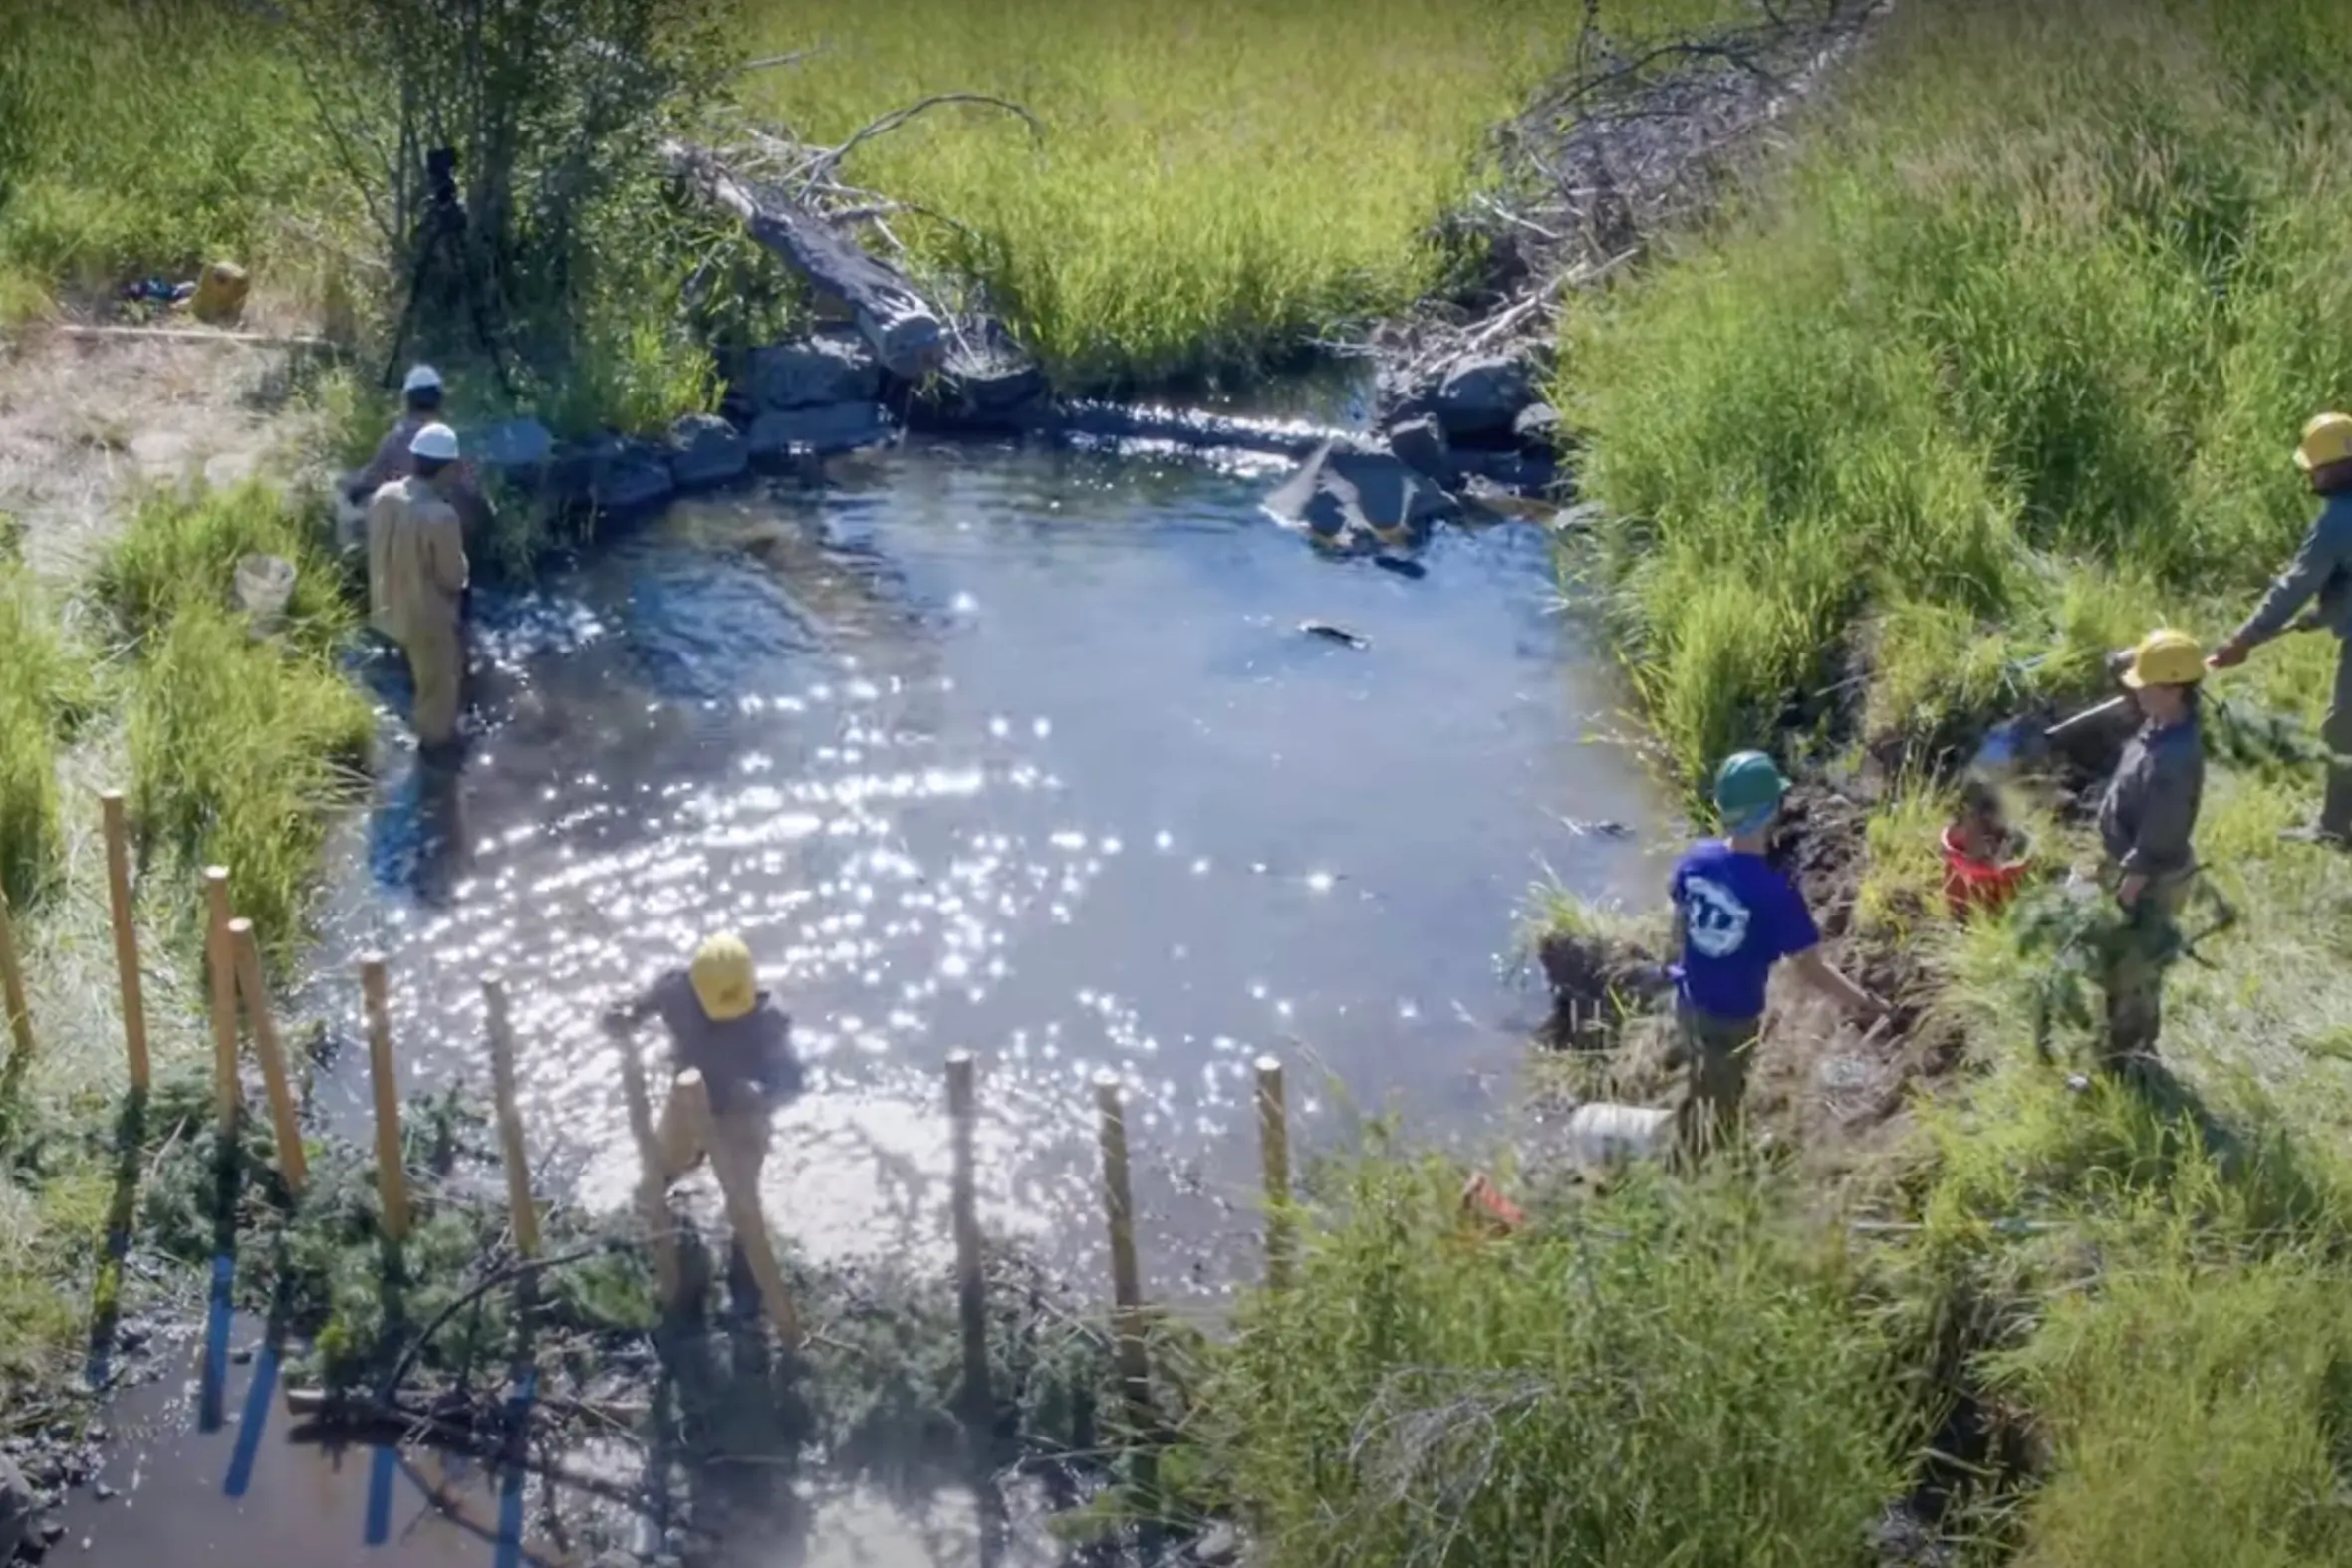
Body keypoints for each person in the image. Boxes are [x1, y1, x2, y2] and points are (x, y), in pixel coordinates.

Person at [1669, 750, 1885, 1161]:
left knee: (1704, 1077)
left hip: (1688, 999)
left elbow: (1679, 921)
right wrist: (1865, 1003)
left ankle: (1701, 1133)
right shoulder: (1774, 893)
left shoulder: (1695, 859)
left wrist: (1673, 969)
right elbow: (1812, 969)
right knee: (1721, 1095)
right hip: (1733, 1017)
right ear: (1771, 812)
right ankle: (1703, 1165)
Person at [2206, 410, 2352, 843]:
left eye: (2317, 469)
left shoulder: (2337, 521)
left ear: (2337, 467)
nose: (2312, 478)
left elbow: (2295, 585)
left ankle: (2332, 828)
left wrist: (2244, 639)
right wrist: (2324, 616)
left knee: (2343, 728)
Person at [602, 932, 806, 1181]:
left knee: (741, 1183)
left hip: (738, 1103)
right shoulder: (673, 991)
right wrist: (621, 1018)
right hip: (690, 1090)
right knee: (666, 1168)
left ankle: (739, 1202)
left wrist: (760, 1104)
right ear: (695, 986)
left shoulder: (769, 1021)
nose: (729, 1017)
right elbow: (636, 1010)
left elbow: (792, 1083)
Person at [2094, 628, 2208, 1071]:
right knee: (2117, 966)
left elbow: (2161, 836)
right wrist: (2128, 660)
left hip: (2149, 879)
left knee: (2133, 972)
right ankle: (2119, 1048)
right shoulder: (2162, 721)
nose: (2136, 693)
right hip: (2128, 866)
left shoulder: (2175, 762)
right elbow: (2139, 671)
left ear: (2175, 690)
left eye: (2147, 687)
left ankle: (2128, 1063)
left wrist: (2128, 890)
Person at [366, 422, 471, 752]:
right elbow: (453, 578)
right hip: (424, 621)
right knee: (437, 695)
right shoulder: (442, 516)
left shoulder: (384, 496)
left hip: (385, 608)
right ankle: (436, 761)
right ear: (448, 469)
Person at [346, 364, 489, 533]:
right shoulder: (455, 440)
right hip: (459, 533)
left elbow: (368, 481)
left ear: (407, 401)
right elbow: (475, 493)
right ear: (440, 401)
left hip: (411, 533)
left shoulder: (395, 440)